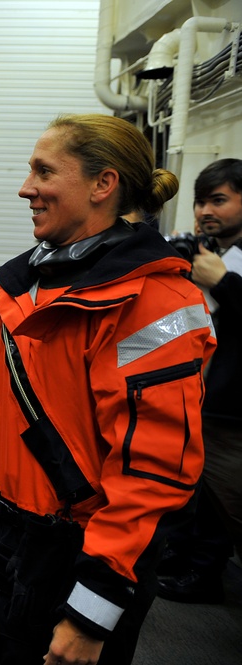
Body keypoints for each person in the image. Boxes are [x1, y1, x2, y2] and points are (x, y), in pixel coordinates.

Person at [0, 114, 215, 665]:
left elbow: (153, 472)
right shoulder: (18, 287)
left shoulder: (155, 304)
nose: (25, 187)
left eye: (43, 171)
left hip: (75, 555)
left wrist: (91, 612)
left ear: (103, 185)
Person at [156, 158, 242, 604]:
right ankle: (193, 562)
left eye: (220, 200)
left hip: (233, 407)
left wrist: (224, 283)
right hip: (201, 395)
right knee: (198, 490)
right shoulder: (208, 251)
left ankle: (204, 571)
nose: (206, 210)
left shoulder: (225, 265)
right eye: (200, 202)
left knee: (228, 500)